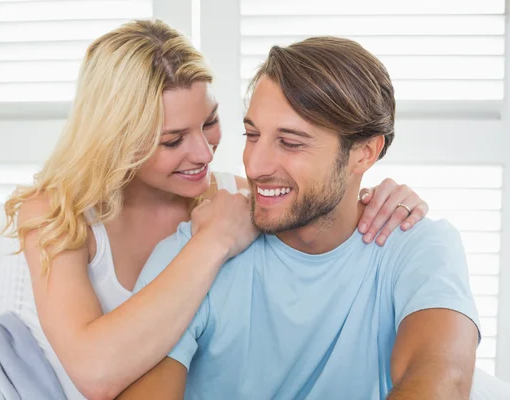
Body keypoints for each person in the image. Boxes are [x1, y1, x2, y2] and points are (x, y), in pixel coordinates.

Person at [0, 21, 426, 400]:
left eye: (211, 123)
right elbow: (92, 372)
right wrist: (212, 242)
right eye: (172, 140)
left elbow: (317, 195)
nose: (204, 153)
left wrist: (385, 195)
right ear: (117, 140)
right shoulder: (57, 212)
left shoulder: (236, 197)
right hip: (23, 382)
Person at [117, 36, 480, 399]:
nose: (255, 166)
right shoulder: (191, 253)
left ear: (364, 153)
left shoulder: (417, 248)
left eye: (290, 143)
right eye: (252, 135)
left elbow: (442, 380)